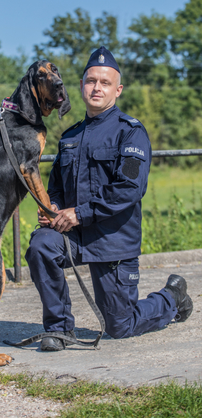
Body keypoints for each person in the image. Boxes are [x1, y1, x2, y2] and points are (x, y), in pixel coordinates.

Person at [25, 46, 193, 351]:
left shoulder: (131, 134)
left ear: (118, 89)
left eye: (104, 82)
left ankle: (171, 298)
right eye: (91, 81)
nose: (96, 88)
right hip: (74, 235)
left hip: (113, 241)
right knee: (41, 246)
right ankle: (60, 328)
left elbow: (129, 188)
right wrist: (52, 207)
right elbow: (57, 188)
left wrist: (78, 213)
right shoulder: (70, 137)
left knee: (120, 325)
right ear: (81, 86)